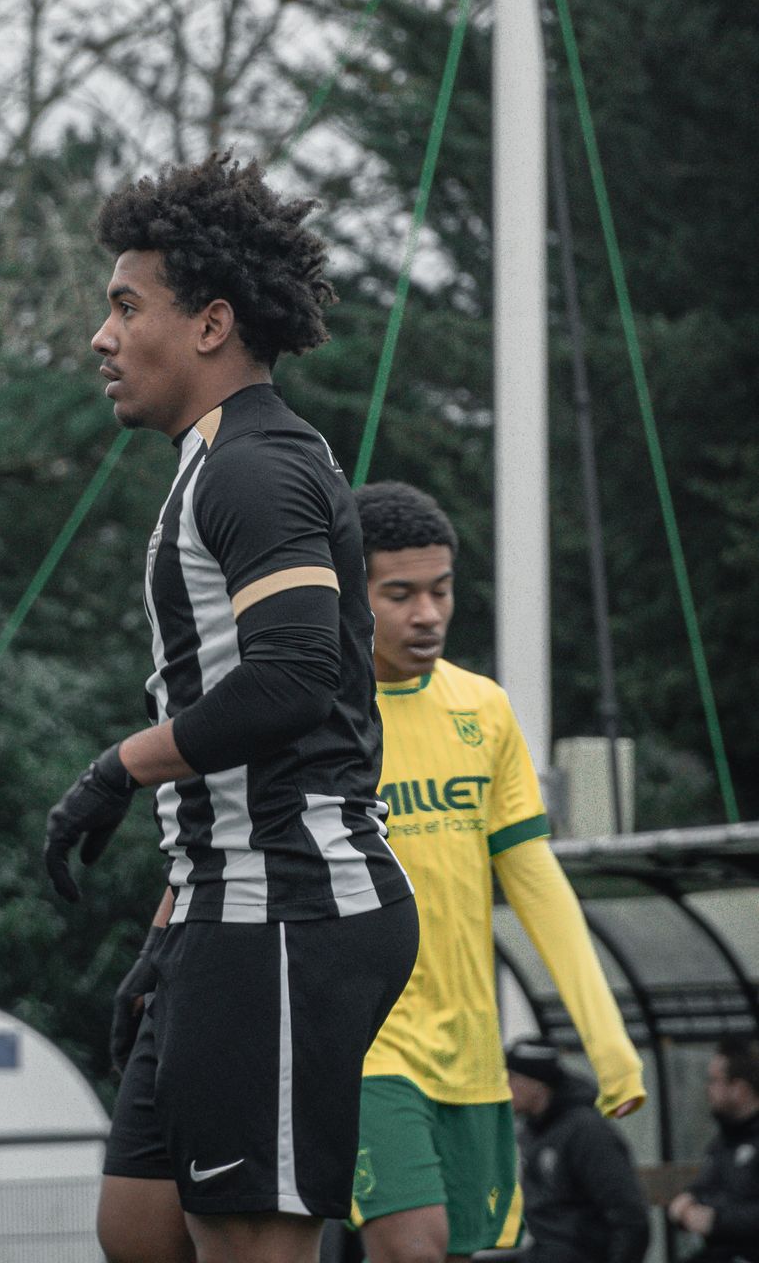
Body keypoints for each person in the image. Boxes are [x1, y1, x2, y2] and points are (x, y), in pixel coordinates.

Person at [43, 156, 419, 1263]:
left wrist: (118, 767)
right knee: (139, 1231)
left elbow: (293, 677)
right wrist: (172, 919)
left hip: (292, 908)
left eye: (127, 306)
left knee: (250, 1246)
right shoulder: (207, 466)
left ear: (211, 324)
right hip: (223, 906)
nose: (102, 338)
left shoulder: (256, 466)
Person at [348, 482, 646, 1263]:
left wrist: (606, 1040)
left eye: (441, 590)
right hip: (365, 1046)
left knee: (457, 1251)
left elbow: (536, 883)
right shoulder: (315, 715)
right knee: (412, 1246)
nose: (428, 614)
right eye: (400, 594)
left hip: (473, 1055)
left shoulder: (483, 710)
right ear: (350, 592)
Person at [506, 1037, 649, 1263]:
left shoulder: (586, 1132)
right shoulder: (533, 1131)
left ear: (537, 1082)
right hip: (544, 1252)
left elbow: (630, 1219)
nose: (503, 1086)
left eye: (511, 1077)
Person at [668, 1033, 759, 1261]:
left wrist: (717, 1220)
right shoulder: (722, 1142)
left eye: (714, 1080)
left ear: (739, 1089)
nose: (708, 1089)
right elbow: (704, 1187)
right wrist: (687, 1201)